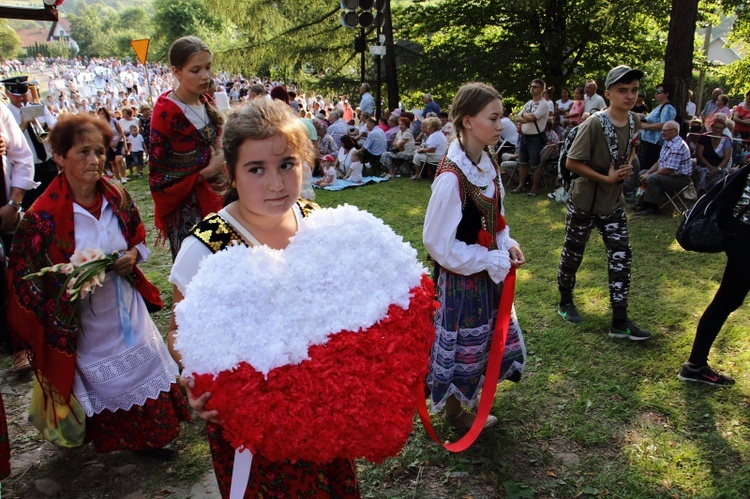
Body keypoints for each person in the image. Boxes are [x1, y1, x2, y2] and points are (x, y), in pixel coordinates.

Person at [168, 99, 360, 498]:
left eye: (287, 164)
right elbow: (178, 332)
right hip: (253, 425)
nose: (276, 183)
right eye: (257, 169)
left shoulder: (314, 220)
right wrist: (197, 380)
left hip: (321, 407)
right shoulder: (205, 247)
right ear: (230, 175)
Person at [6, 113, 189, 453]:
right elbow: (25, 280)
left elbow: (137, 236)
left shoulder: (116, 197)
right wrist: (67, 282)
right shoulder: (42, 218)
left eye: (100, 152)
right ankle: (115, 438)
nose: (95, 161)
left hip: (126, 306)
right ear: (59, 157)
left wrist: (133, 256)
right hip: (87, 323)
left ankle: (153, 437)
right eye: (83, 152)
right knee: (105, 379)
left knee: (144, 363)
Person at [423, 81, 526, 431]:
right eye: (493, 118)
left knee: (480, 341)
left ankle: (467, 402)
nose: (501, 125)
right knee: (461, 345)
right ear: (468, 121)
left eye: (501, 118)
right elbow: (438, 244)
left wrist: (505, 242)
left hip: (485, 274)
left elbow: (495, 215)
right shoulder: (452, 178)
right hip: (461, 280)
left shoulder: (487, 161)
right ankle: (455, 413)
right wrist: (487, 259)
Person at [556, 65, 652, 341]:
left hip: (613, 204)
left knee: (621, 257)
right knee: (573, 254)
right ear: (608, 94)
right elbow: (571, 162)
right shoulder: (595, 123)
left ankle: (620, 321)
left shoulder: (634, 121)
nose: (630, 96)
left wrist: (625, 167)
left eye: (634, 90)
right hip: (584, 201)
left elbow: (632, 146)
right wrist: (606, 177)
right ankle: (565, 301)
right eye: (623, 91)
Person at [149, 36, 225, 261]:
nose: (205, 75)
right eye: (195, 70)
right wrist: (207, 172)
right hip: (187, 213)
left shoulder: (207, 102)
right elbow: (161, 179)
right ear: (176, 71)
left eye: (208, 67)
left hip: (220, 200)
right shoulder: (166, 115)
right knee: (197, 270)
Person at [678, 164, 750, 386]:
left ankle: (695, 365)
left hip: (741, 234)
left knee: (727, 300)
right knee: (726, 300)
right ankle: (695, 365)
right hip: (745, 237)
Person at [0, 102, 36, 372]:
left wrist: (14, 202)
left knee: (13, 277)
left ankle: (21, 346)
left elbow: (22, 157)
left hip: (5, 209)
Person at [3, 76, 57, 210]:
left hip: (48, 165)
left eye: (23, 94)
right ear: (7, 94)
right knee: (33, 210)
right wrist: (23, 125)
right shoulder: (6, 114)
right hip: (25, 170)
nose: (21, 99)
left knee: (55, 206)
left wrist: (42, 125)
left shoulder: (39, 108)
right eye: (16, 96)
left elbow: (57, 131)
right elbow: (9, 144)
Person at [635, 120, 693, 215]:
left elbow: (669, 169)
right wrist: (647, 173)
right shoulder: (667, 142)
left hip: (680, 179)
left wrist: (650, 175)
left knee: (652, 178)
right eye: (662, 130)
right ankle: (642, 202)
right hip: (669, 175)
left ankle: (653, 207)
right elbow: (659, 162)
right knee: (643, 173)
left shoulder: (678, 146)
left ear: (674, 131)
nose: (662, 132)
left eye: (665, 130)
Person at [514, 78, 550, 196]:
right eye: (531, 86)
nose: (532, 88)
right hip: (524, 136)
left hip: (535, 137)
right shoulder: (528, 103)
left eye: (535, 86)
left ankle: (535, 188)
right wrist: (525, 116)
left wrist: (524, 116)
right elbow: (517, 117)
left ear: (541, 89)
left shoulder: (544, 104)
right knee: (523, 162)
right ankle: (521, 185)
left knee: (535, 164)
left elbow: (532, 118)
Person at [639, 83, 677, 180]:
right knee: (643, 166)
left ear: (667, 94)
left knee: (648, 167)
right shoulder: (659, 106)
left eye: (660, 92)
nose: (656, 94)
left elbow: (665, 124)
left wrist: (647, 126)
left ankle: (643, 190)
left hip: (655, 144)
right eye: (656, 92)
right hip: (648, 141)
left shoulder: (667, 108)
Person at [695, 114, 732, 195]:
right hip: (704, 166)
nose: (718, 130)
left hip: (719, 167)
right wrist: (711, 168)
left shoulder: (726, 139)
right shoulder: (703, 137)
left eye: (721, 128)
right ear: (711, 127)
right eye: (716, 128)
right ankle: (701, 196)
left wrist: (717, 169)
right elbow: (699, 155)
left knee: (721, 174)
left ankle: (716, 197)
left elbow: (727, 157)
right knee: (705, 173)